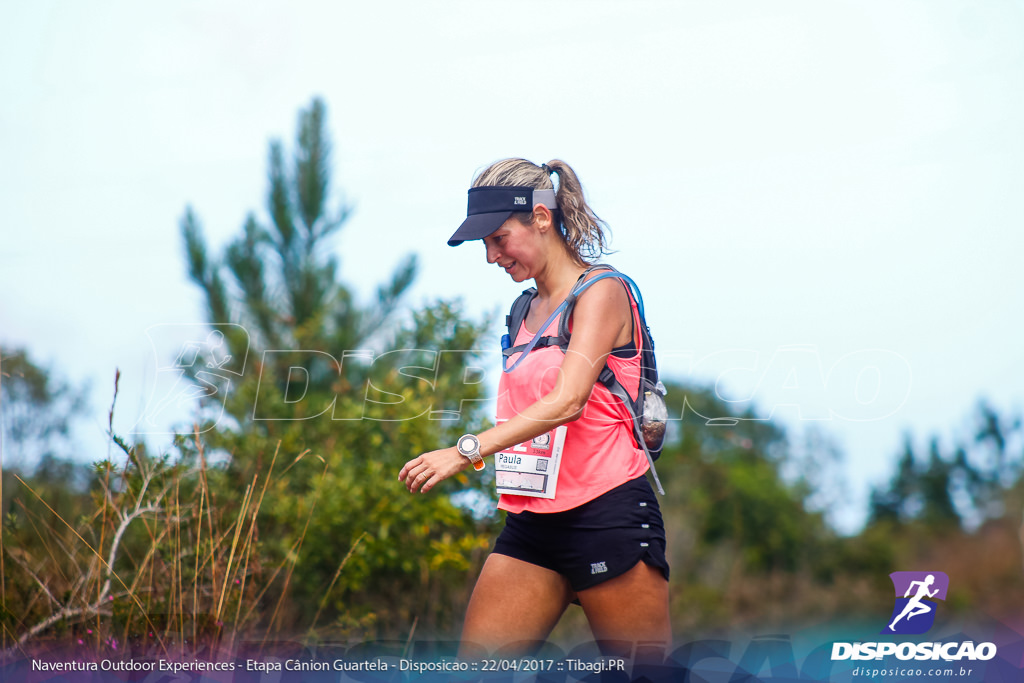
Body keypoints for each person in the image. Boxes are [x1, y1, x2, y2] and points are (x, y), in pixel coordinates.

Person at [398, 158, 671, 660]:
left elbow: (567, 401)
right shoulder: (523, 309)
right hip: (533, 523)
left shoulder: (602, 291)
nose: (490, 256)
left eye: (499, 239)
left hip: (606, 514)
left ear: (541, 218)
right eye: (484, 244)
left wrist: (465, 451)